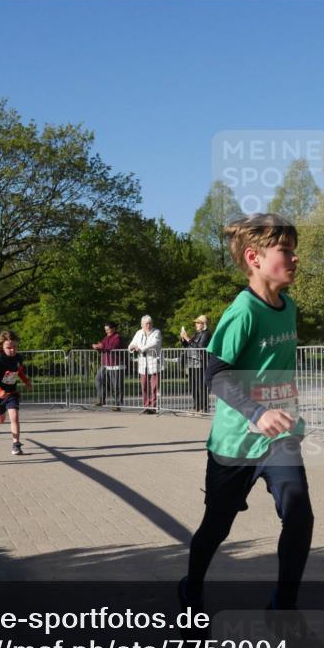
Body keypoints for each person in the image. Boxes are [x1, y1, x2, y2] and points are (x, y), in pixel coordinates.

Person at [179, 213, 313, 613]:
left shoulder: (287, 306)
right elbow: (216, 374)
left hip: (279, 440)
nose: (295, 258)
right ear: (254, 257)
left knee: (299, 515)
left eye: (294, 250)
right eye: (285, 251)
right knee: (216, 529)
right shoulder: (244, 311)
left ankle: (283, 607)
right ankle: (191, 588)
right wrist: (256, 412)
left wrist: (283, 413)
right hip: (235, 443)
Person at [0, 329, 33, 455]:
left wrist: (26, 381)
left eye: (14, 347)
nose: (12, 350)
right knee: (0, 419)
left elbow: (19, 371)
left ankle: (16, 444)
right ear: (2, 347)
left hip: (11, 393)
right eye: (8, 347)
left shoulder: (18, 358)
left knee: (14, 417)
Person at [128, 315, 162, 414]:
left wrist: (141, 348)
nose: (148, 325)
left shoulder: (156, 332)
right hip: (143, 363)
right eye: (146, 323)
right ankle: (146, 406)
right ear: (142, 324)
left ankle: (153, 407)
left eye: (150, 323)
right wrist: (133, 347)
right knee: (144, 386)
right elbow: (131, 344)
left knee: (154, 386)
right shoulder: (138, 333)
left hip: (154, 362)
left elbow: (154, 343)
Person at [180, 315, 211, 413]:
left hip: (200, 363)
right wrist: (183, 339)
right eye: (196, 323)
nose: (196, 324)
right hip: (191, 362)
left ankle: (204, 408)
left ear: (203, 324)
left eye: (198, 323)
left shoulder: (206, 334)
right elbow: (188, 345)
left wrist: (187, 338)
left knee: (201, 386)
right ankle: (196, 407)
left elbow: (199, 347)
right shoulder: (196, 334)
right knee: (193, 386)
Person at [92, 322, 124, 411]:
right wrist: (97, 347)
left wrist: (101, 346)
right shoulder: (106, 338)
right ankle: (101, 399)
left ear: (113, 329)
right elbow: (102, 346)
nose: (106, 332)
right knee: (98, 379)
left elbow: (113, 347)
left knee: (116, 385)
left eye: (108, 329)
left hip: (116, 364)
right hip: (106, 364)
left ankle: (117, 404)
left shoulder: (117, 337)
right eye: (105, 330)